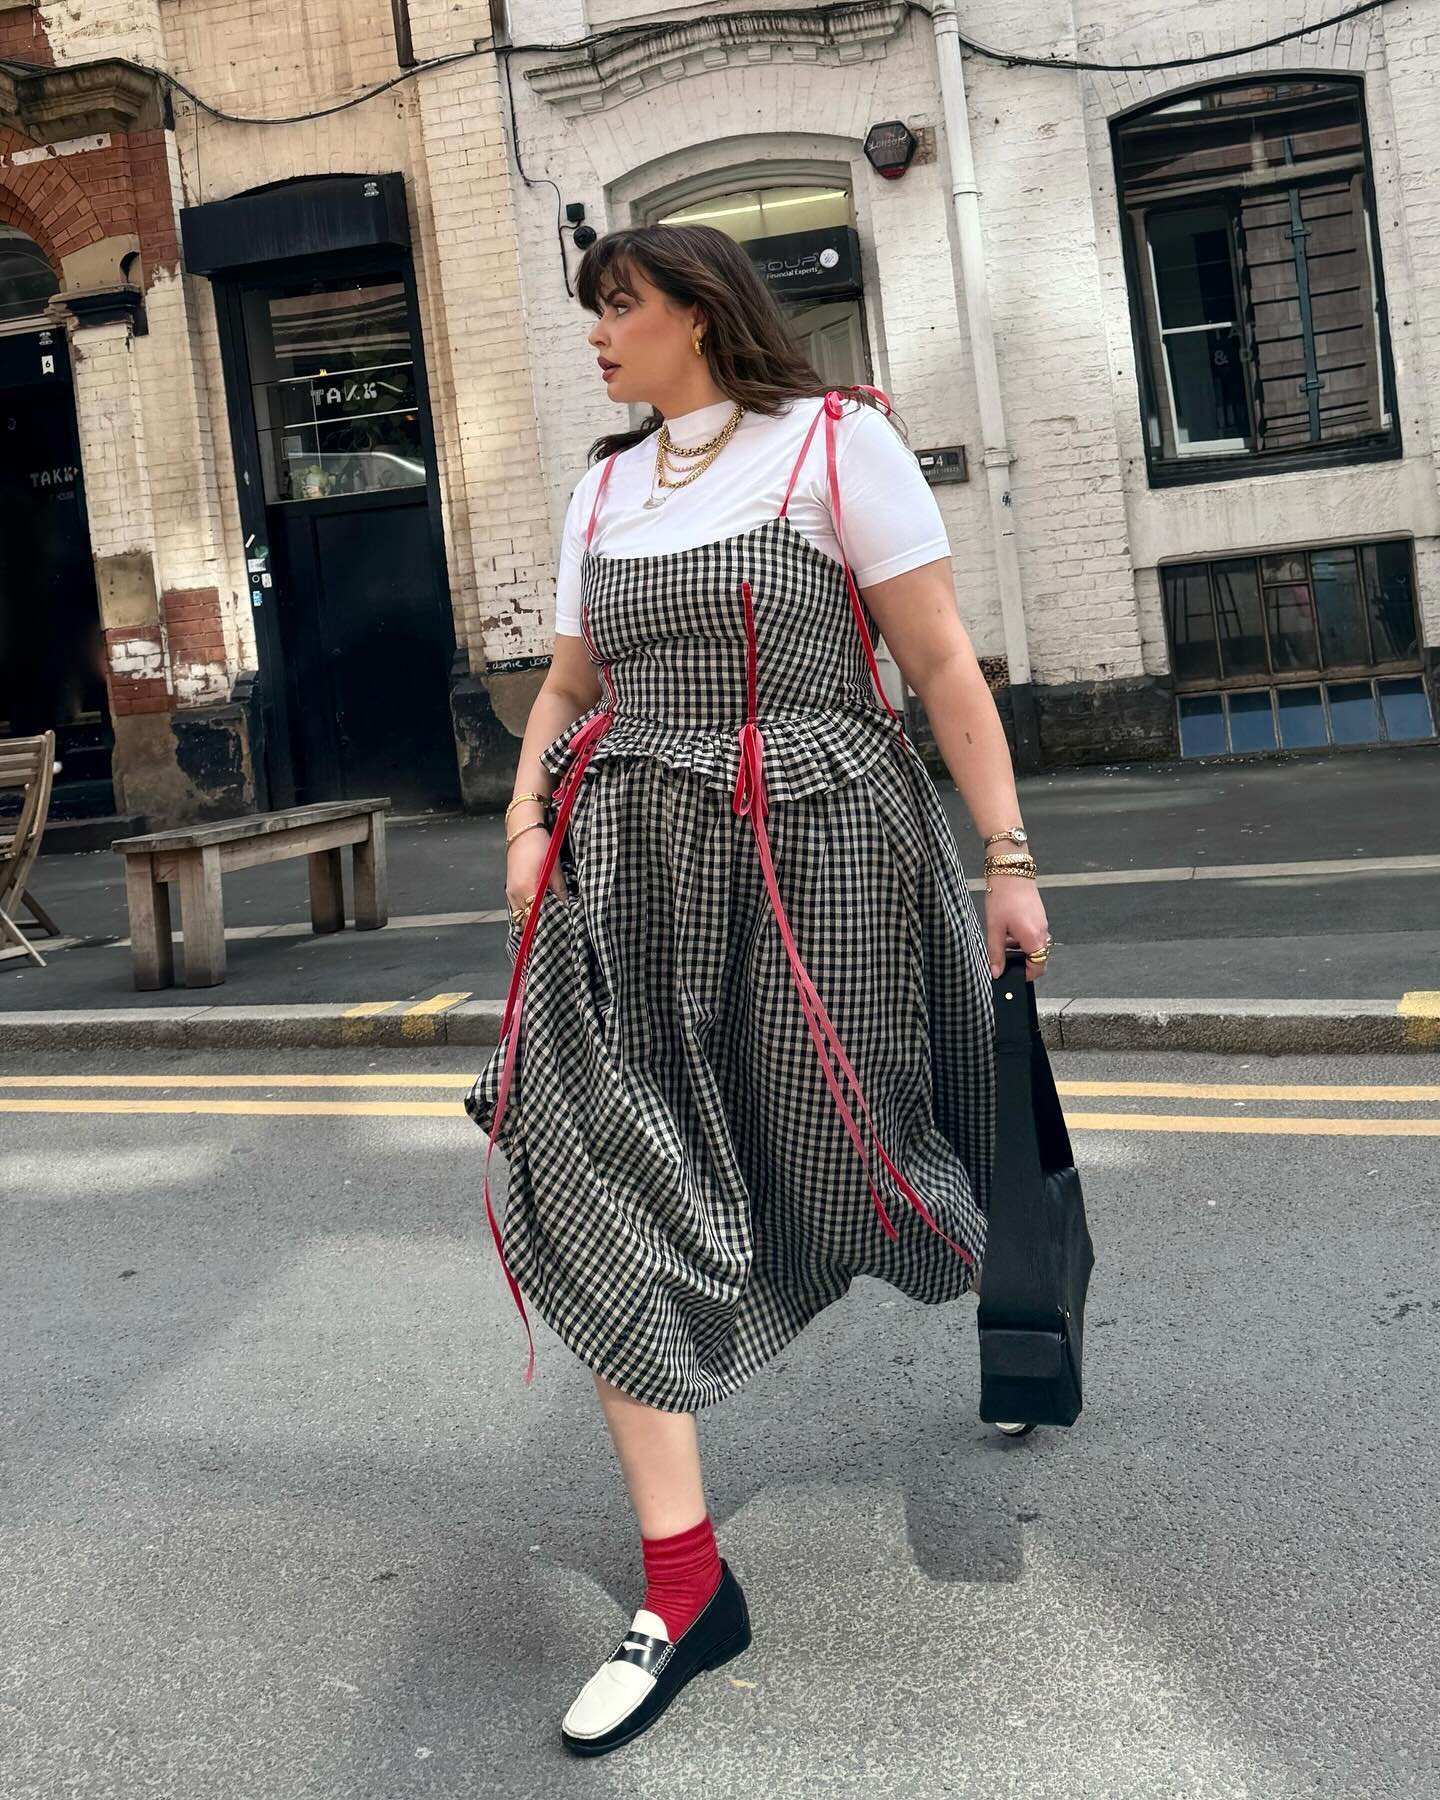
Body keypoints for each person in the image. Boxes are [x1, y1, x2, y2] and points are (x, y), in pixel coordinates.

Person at [465, 223, 1051, 1756]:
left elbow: (938, 667)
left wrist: (1006, 856)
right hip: (636, 870)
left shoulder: (834, 448)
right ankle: (685, 1582)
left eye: (619, 305)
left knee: (865, 1139)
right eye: (592, 309)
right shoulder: (606, 484)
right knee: (579, 1159)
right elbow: (572, 687)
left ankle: (1031, 1303)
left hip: (825, 852)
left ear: (701, 313)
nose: (596, 333)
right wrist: (528, 822)